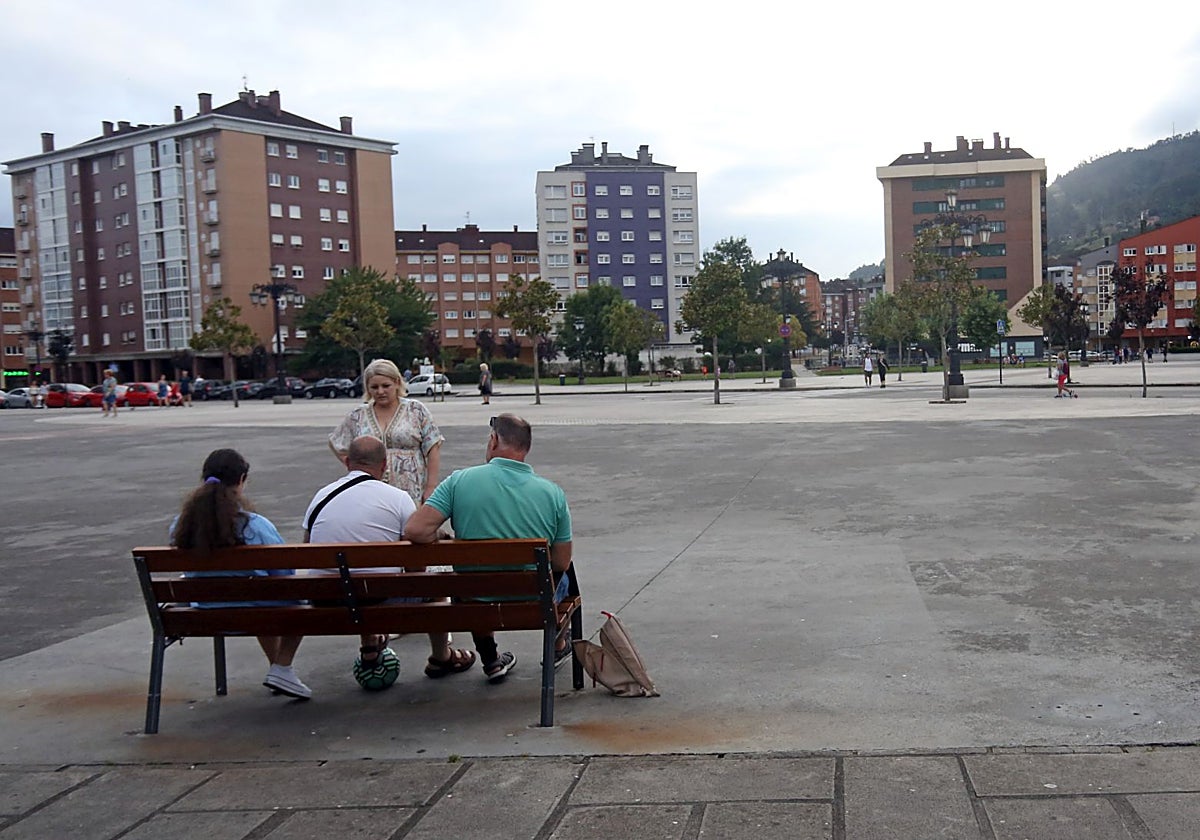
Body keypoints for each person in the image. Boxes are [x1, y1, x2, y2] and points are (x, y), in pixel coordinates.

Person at [405, 414, 574, 683]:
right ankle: (558, 646)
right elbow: (561, 562)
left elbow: (415, 530)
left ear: (493, 440)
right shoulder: (552, 493)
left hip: (475, 597)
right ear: (526, 448)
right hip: (533, 598)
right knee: (567, 575)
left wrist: (445, 537)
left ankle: (491, 659)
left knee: (474, 583)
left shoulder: (459, 481)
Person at [303, 436, 476, 679]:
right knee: (433, 586)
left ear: (346, 462)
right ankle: (442, 657)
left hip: (325, 599)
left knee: (356, 578)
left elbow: (307, 547)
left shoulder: (321, 496)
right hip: (376, 597)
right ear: (384, 466)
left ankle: (370, 647)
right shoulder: (398, 498)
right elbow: (416, 567)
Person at [170, 448, 310, 699]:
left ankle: (278, 670)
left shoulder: (183, 525)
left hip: (205, 611)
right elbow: (285, 572)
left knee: (260, 594)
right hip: (256, 610)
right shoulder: (255, 525)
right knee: (288, 596)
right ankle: (282, 666)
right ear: (242, 480)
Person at [329, 358, 444, 507]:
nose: (380, 391)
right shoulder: (358, 415)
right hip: (371, 490)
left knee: (410, 528)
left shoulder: (416, 410)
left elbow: (433, 448)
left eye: (386, 386)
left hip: (412, 489)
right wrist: (356, 468)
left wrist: (431, 487)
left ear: (397, 382)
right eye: (374, 387)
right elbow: (338, 443)